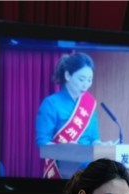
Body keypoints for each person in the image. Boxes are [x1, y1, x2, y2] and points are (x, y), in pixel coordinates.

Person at [35, 52, 114, 180]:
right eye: (81, 79)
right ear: (68, 75)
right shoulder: (51, 103)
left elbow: (94, 139)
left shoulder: (89, 104)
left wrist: (103, 146)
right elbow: (42, 144)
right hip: (63, 167)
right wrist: (67, 149)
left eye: (89, 80)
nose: (86, 85)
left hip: (89, 163)